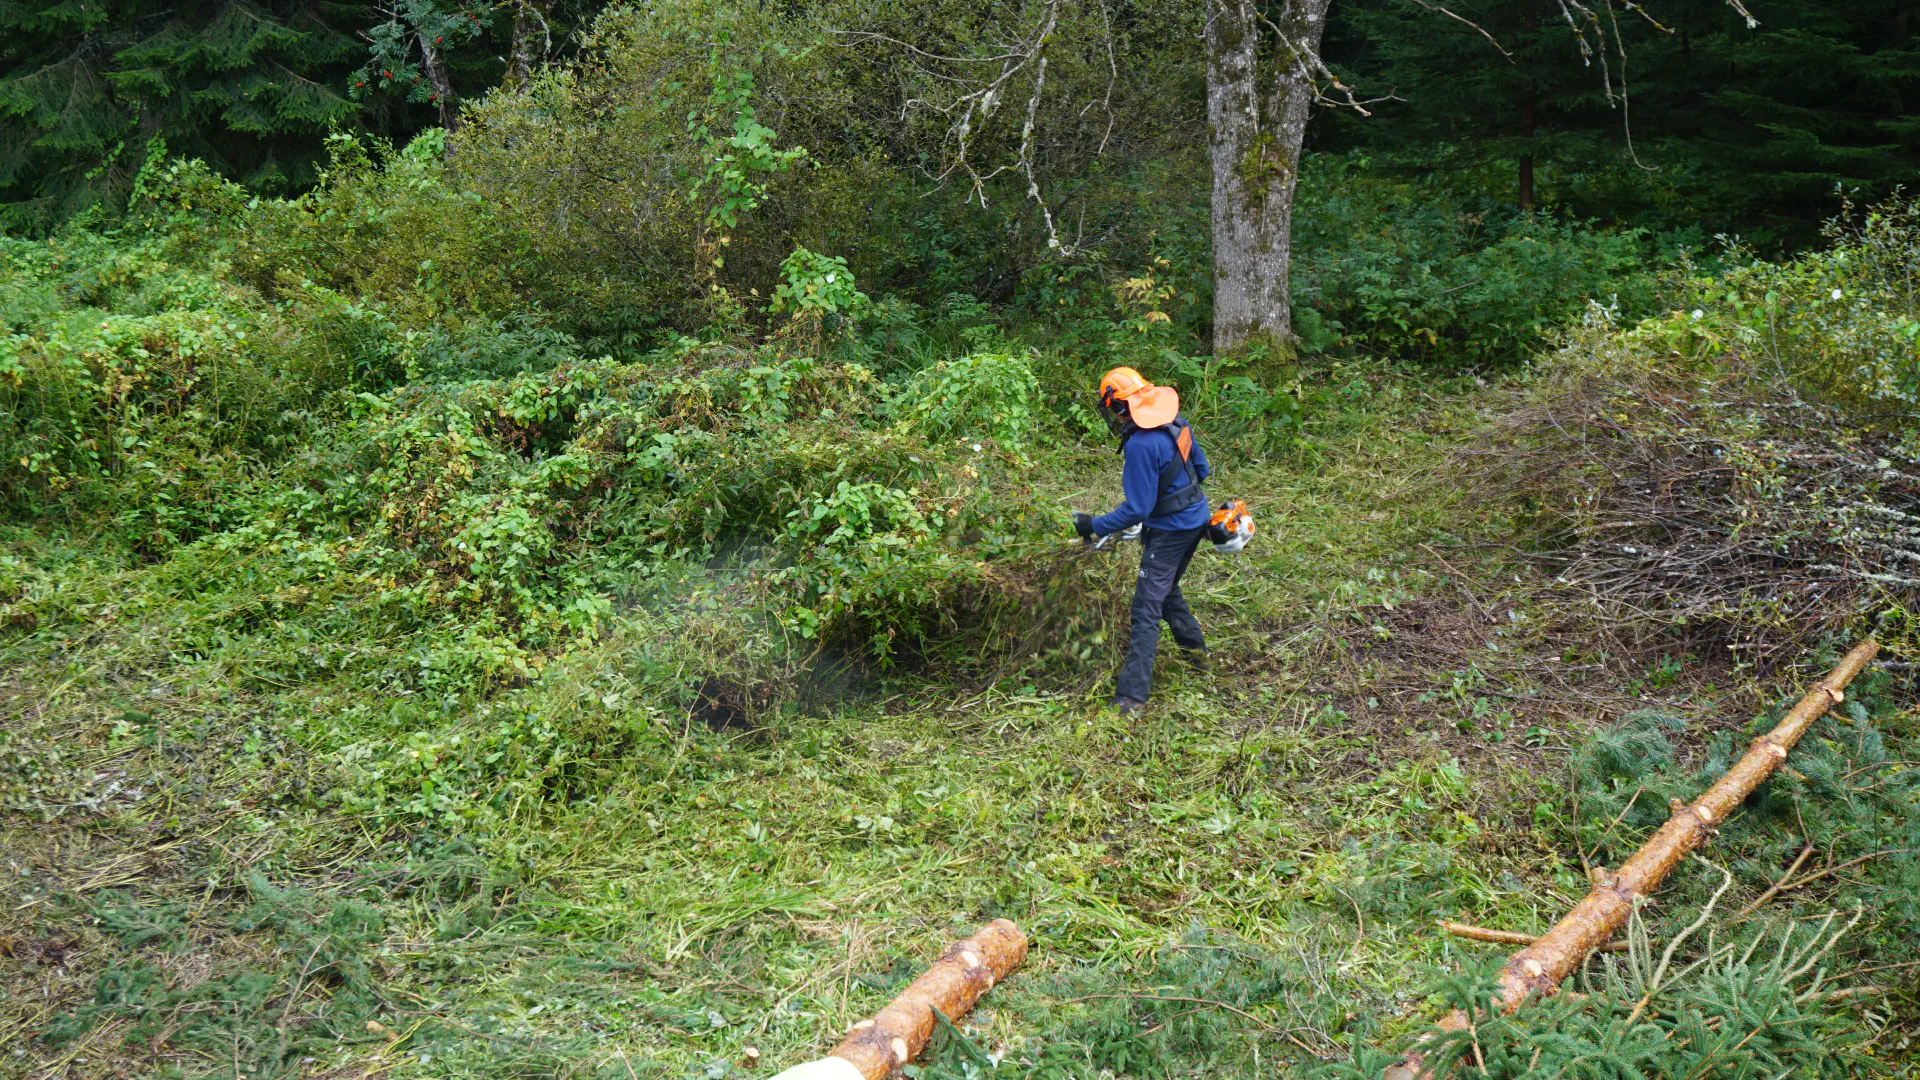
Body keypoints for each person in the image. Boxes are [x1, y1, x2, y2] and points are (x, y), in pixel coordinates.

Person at [1072, 367, 1211, 716]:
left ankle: (1131, 698)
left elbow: (1137, 508)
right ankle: (1197, 658)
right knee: (1167, 593)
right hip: (1196, 520)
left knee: (1145, 610)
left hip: (1169, 535)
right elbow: (1202, 470)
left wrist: (1095, 524)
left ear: (1119, 407)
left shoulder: (1140, 445)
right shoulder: (1177, 422)